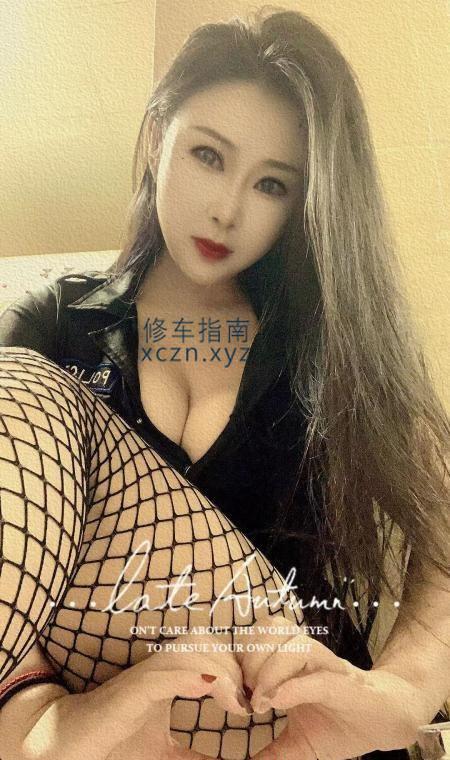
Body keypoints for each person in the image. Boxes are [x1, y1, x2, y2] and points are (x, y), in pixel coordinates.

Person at [0, 7, 448, 760]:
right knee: (19, 380)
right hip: (110, 733)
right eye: (208, 155)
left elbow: (442, 522)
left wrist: (404, 690)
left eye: (271, 184)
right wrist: (42, 718)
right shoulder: (54, 322)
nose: (227, 209)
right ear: (157, 140)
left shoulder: (330, 342)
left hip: (294, 730)